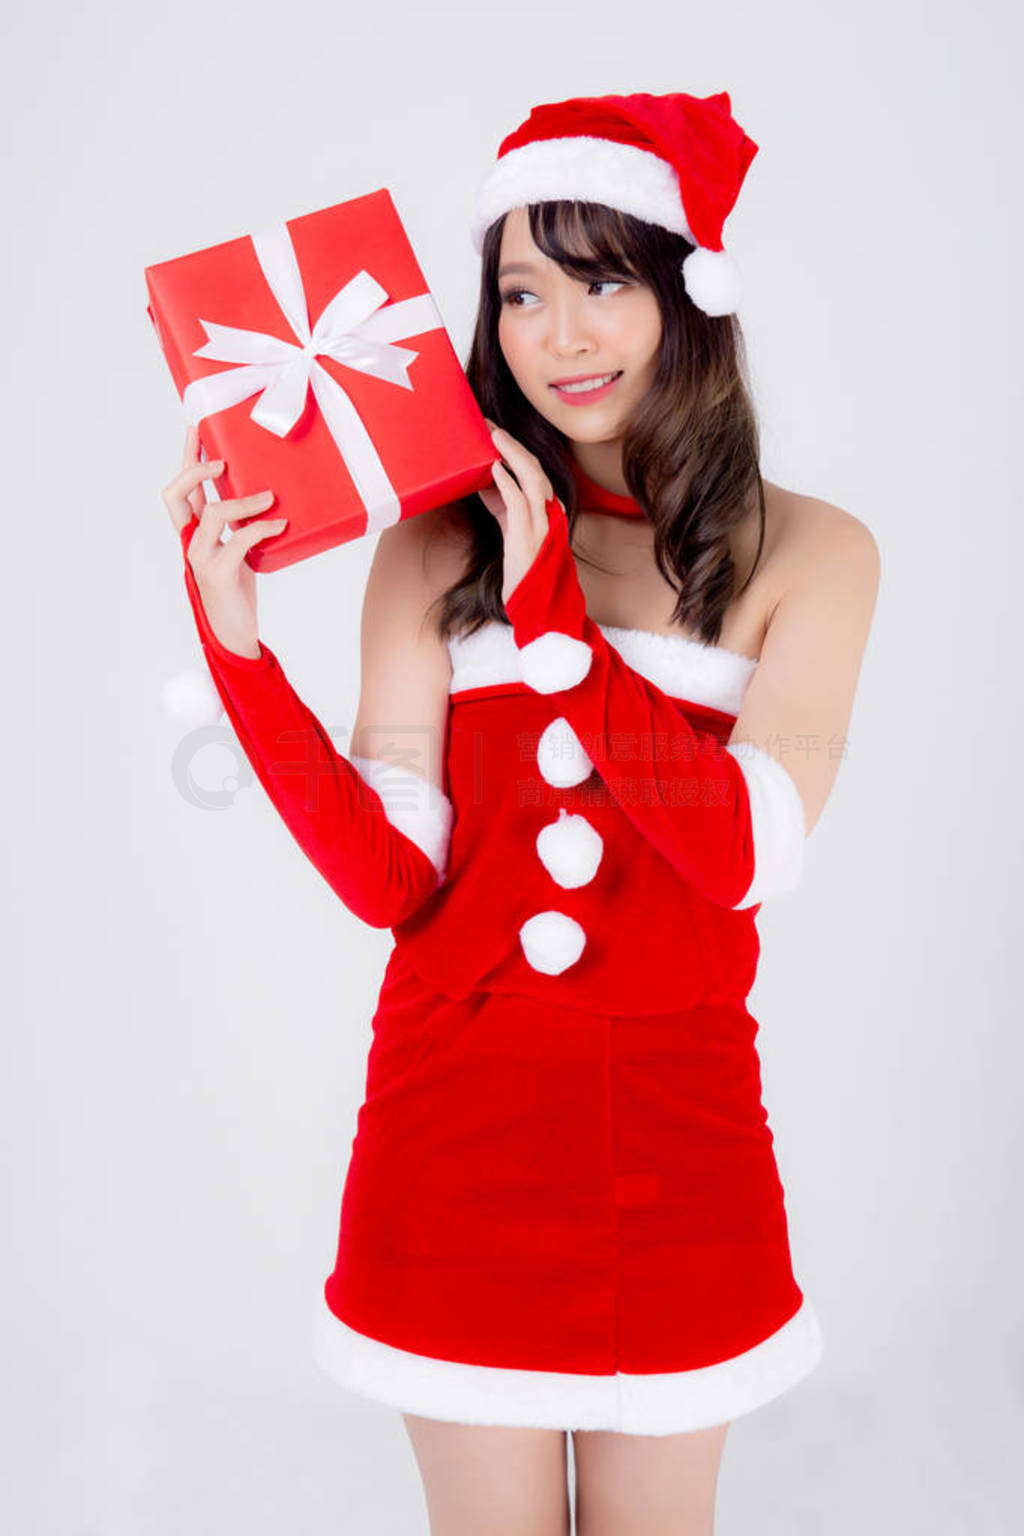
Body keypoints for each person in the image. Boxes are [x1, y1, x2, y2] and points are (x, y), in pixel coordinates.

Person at [160, 90, 880, 1536]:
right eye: (521, 293)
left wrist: (554, 614)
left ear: (688, 290)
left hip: (682, 1149)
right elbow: (389, 881)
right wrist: (234, 643)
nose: (561, 338)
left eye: (603, 281)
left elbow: (741, 850)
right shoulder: (433, 543)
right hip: (455, 1149)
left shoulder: (814, 550)